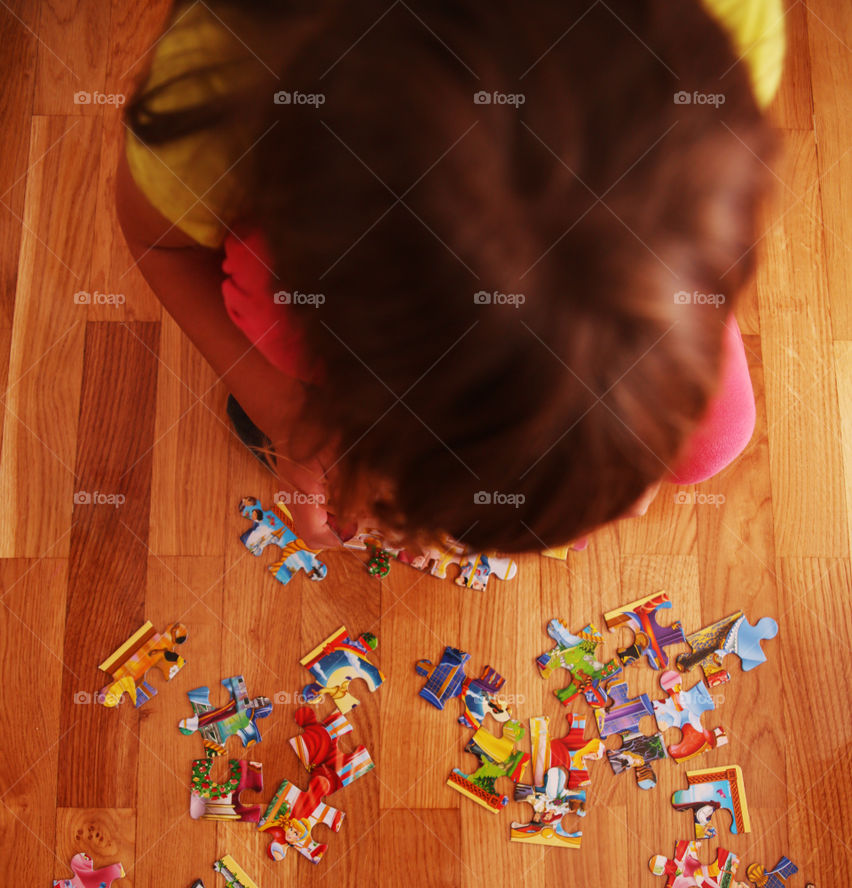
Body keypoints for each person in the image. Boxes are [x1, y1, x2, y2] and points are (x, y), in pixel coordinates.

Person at [117, 0, 784, 552]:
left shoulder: (729, 44)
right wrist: (287, 414)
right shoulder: (221, 85)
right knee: (268, 325)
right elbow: (161, 245)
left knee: (711, 442)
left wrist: (626, 435)